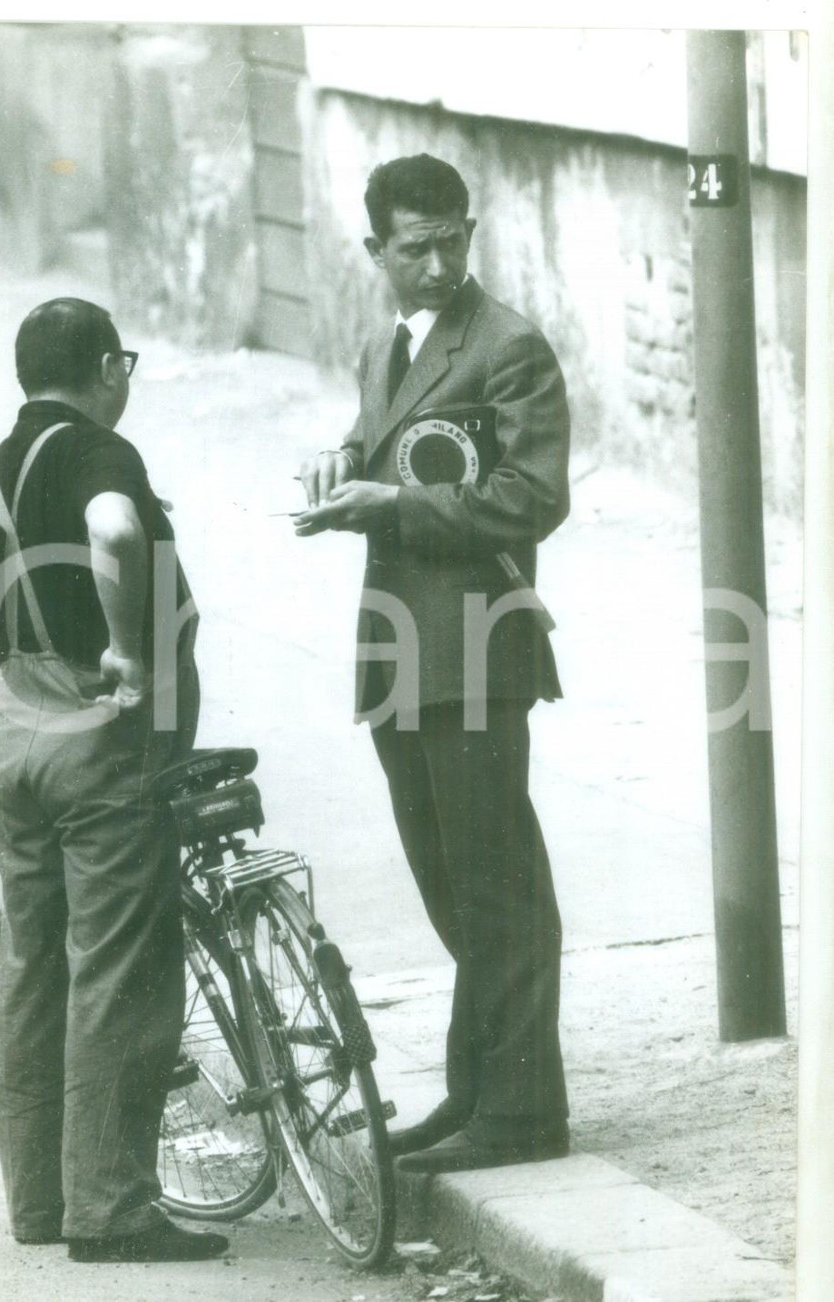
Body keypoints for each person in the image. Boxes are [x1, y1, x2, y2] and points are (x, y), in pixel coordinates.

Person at [0, 297, 225, 1262]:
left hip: (17, 740)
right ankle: (112, 1209)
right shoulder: (99, 452)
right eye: (122, 363)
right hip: (102, 738)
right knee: (117, 972)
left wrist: (32, 643)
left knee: (35, 963)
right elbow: (118, 533)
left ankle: (42, 1203)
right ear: (106, 366)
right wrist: (125, 652)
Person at [296, 155, 571, 1174]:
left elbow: (532, 496)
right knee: (448, 877)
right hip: (402, 647)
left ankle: (523, 1112)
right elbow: (381, 443)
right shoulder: (386, 347)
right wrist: (341, 463)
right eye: (417, 245)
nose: (442, 261)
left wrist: (393, 505)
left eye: (455, 236)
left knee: (495, 880)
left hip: (477, 648)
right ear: (377, 251)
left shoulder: (509, 347)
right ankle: (479, 1089)